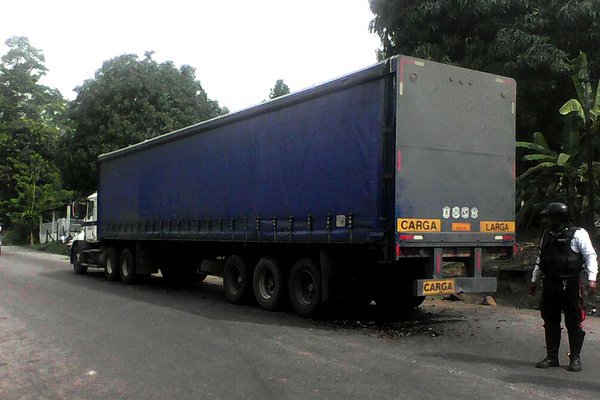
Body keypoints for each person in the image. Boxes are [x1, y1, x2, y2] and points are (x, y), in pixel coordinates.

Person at [529, 202, 597, 372]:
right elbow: (540, 259)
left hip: (571, 283)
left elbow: (590, 256)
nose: (548, 221)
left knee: (574, 321)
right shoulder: (547, 235)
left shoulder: (578, 234)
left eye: (550, 217)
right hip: (551, 282)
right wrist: (534, 280)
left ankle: (575, 358)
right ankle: (552, 357)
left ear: (560, 218)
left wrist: (592, 278)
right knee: (550, 320)